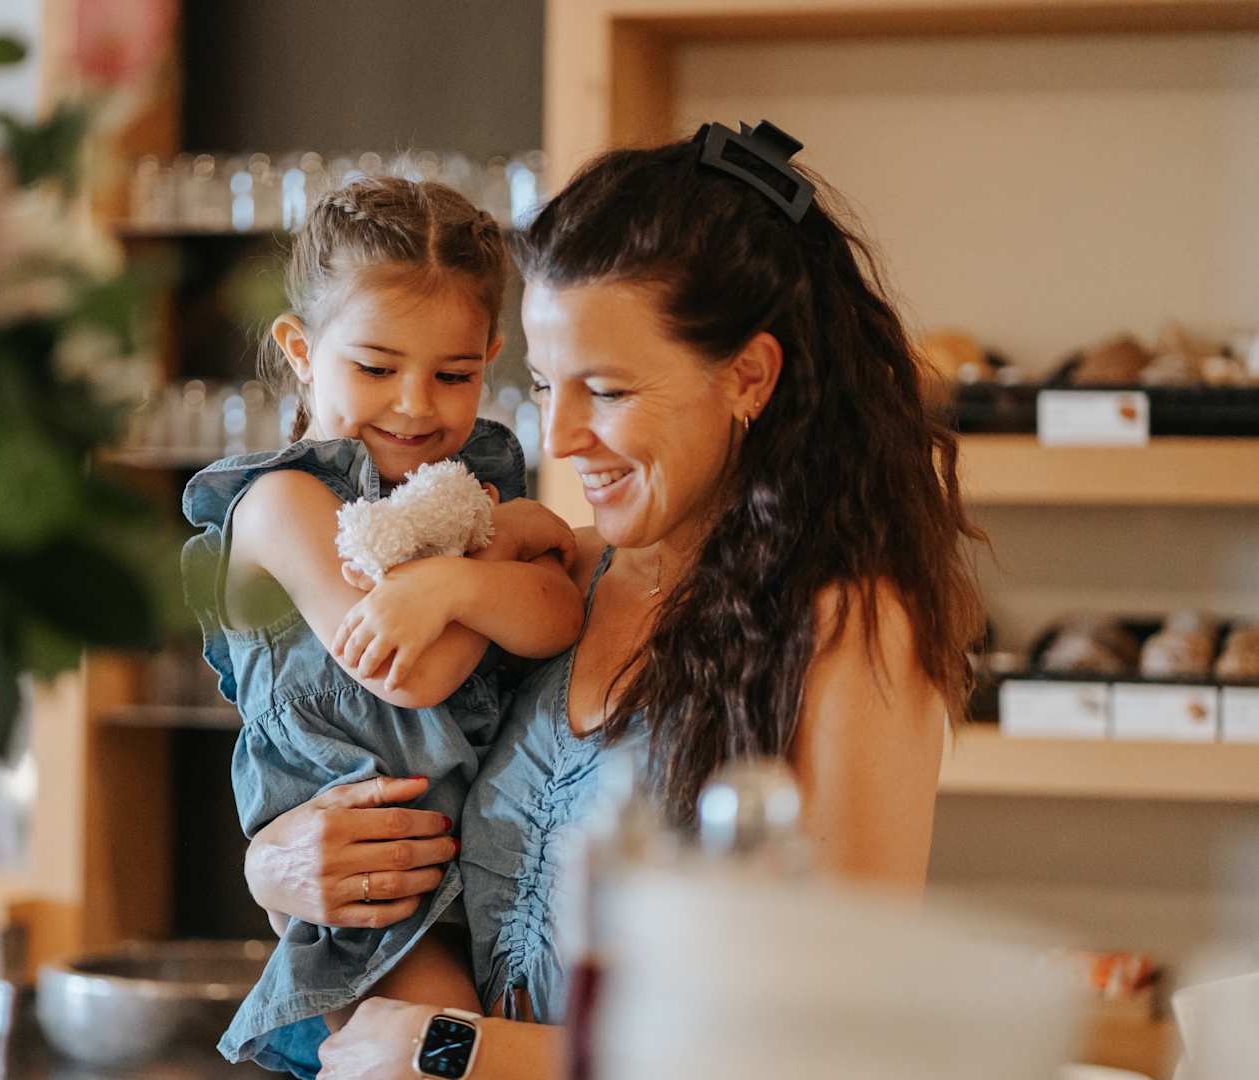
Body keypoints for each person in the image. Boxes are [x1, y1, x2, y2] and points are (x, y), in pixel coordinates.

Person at [239, 122, 986, 1079]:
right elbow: (369, 779)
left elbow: (844, 1046)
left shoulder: (846, 629)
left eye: (607, 391)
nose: (559, 436)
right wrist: (277, 867)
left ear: (749, 377)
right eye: (543, 385)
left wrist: (461, 1052)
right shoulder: (555, 577)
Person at [181, 176, 584, 1078]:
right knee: (422, 1051)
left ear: (492, 357)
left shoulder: (468, 490)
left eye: (454, 375)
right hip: (379, 895)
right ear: (300, 350)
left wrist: (466, 576)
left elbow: (559, 614)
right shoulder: (283, 503)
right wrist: (485, 562)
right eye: (375, 367)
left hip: (482, 864)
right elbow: (410, 672)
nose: (414, 405)